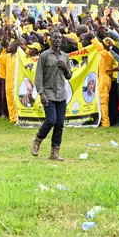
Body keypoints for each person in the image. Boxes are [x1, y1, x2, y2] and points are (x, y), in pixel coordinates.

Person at [30, 30, 73, 161]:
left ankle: (55, 152)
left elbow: (69, 76)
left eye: (59, 38)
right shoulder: (44, 55)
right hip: (48, 93)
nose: (57, 40)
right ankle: (37, 140)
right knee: (51, 120)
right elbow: (39, 75)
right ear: (51, 40)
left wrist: (65, 68)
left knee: (60, 123)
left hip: (61, 94)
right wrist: (41, 93)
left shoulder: (65, 56)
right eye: (55, 38)